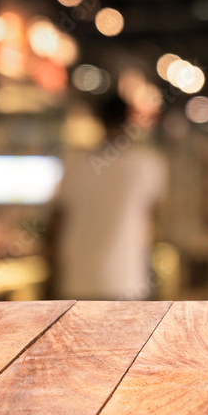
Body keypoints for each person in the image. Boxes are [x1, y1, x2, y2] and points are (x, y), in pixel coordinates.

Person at [49, 97, 168, 300]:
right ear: (129, 120)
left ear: (98, 120)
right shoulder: (147, 164)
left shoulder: (74, 165)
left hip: (76, 281)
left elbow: (57, 221)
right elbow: (154, 219)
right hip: (127, 280)